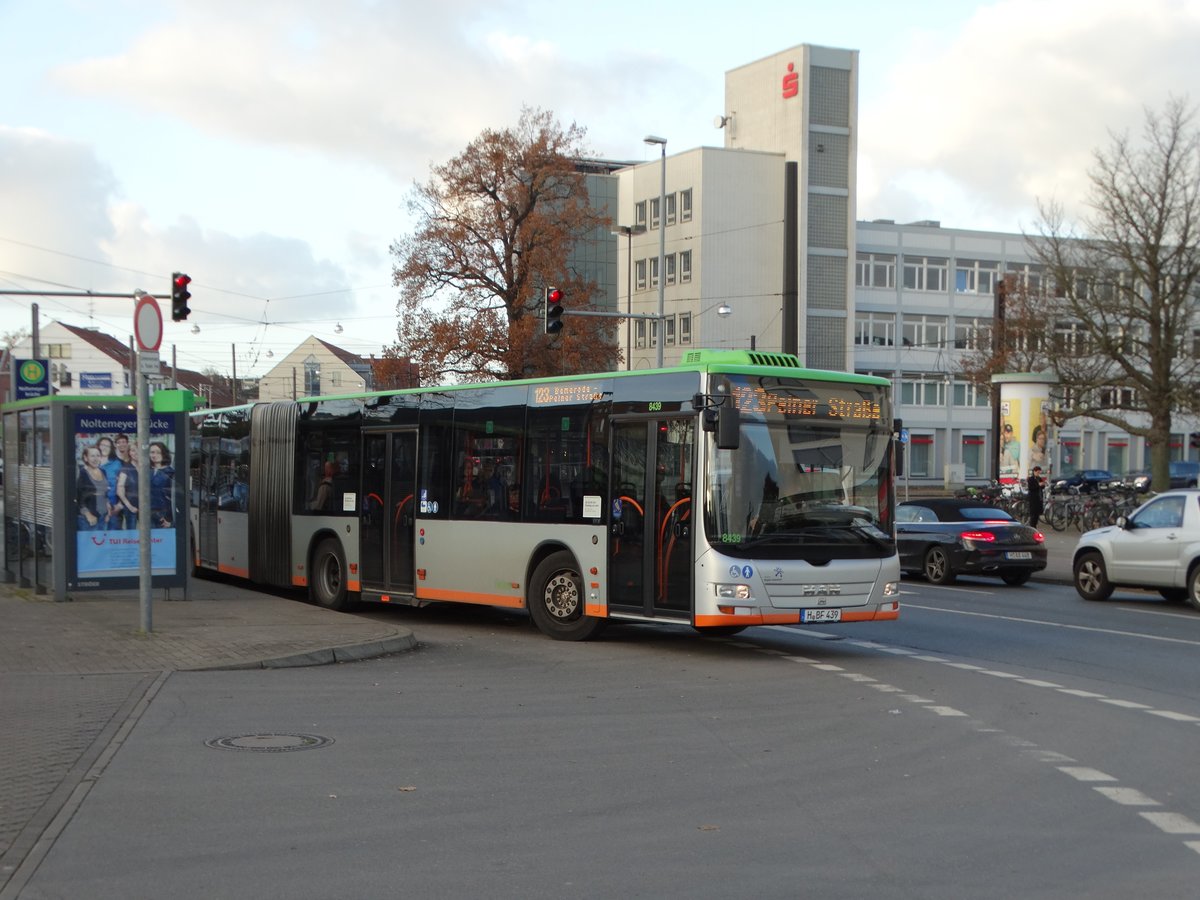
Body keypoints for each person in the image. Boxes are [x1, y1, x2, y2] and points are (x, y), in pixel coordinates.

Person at [76, 445, 109, 530]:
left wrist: (108, 511)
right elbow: (78, 498)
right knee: (89, 543)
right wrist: (88, 515)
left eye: (98, 455)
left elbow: (105, 493)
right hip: (87, 519)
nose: (95, 459)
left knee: (102, 542)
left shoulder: (103, 471)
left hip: (103, 517)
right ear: (85, 458)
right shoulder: (81, 473)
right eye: (92, 456)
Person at [148, 441, 175, 528]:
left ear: (164, 454)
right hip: (148, 514)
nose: (154, 455)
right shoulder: (148, 471)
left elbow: (175, 497)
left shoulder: (171, 473)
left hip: (163, 515)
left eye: (158, 452)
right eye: (152, 452)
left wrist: (171, 521)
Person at [115, 442, 140, 529]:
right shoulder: (126, 468)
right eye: (133, 450)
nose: (136, 453)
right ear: (129, 452)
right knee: (132, 534)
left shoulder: (147, 468)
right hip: (131, 507)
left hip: (146, 508)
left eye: (138, 450)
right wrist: (130, 506)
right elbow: (119, 489)